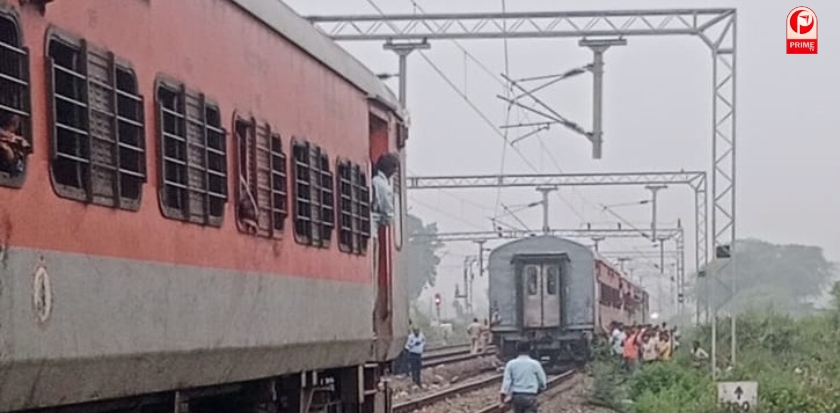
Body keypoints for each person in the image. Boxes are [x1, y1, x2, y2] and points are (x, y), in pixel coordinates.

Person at [370, 153, 400, 328]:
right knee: (373, 274)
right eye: (395, 169)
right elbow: (388, 216)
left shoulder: (373, 181)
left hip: (370, 228)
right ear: (390, 169)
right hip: (373, 232)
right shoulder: (383, 186)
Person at [499, 341, 547, 413]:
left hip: (517, 397)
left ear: (517, 349)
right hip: (531, 396)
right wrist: (539, 390)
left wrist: (502, 400)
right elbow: (543, 382)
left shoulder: (511, 364)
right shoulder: (535, 364)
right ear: (530, 349)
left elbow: (506, 383)